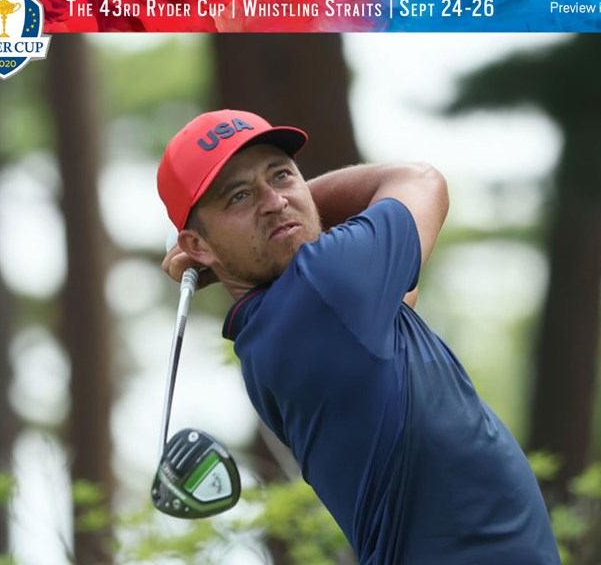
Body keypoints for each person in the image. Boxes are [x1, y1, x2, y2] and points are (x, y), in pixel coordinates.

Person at [157, 109, 560, 564]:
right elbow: (421, 180)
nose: (274, 201)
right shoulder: (326, 288)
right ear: (196, 246)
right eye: (239, 196)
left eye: (282, 175)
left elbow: (402, 290)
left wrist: (226, 250)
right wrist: (293, 203)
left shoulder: (278, 329)